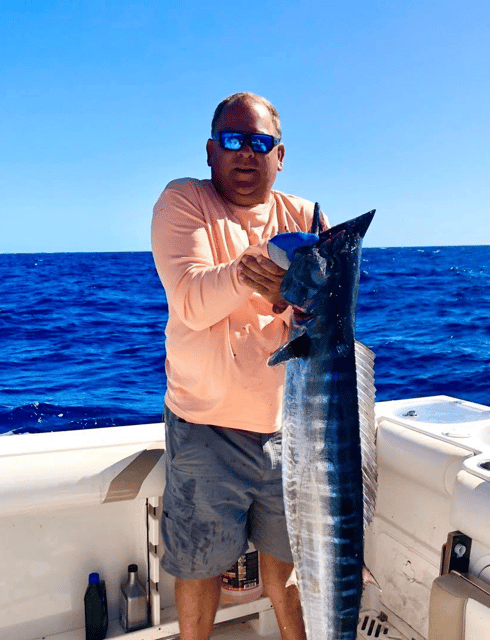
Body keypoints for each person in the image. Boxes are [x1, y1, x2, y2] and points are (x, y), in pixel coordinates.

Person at [151, 92, 323, 640]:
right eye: (231, 140)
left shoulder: (307, 215)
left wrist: (295, 297)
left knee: (286, 567)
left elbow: (329, 315)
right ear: (209, 151)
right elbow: (193, 300)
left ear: (280, 154)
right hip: (204, 429)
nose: (245, 153)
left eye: (259, 142)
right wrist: (271, 274)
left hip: (287, 429)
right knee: (199, 568)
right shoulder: (184, 201)